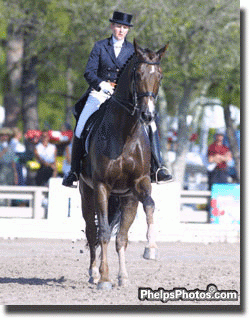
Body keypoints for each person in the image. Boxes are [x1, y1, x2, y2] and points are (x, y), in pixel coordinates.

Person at [62, 11, 172, 187]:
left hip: (124, 98)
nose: (121, 30)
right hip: (100, 93)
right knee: (81, 124)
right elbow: (89, 72)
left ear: (128, 30)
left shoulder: (133, 51)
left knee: (151, 124)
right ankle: (74, 171)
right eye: (119, 26)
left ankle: (158, 167)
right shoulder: (99, 47)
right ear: (112, 27)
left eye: (125, 28)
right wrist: (102, 84)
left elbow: (138, 76)